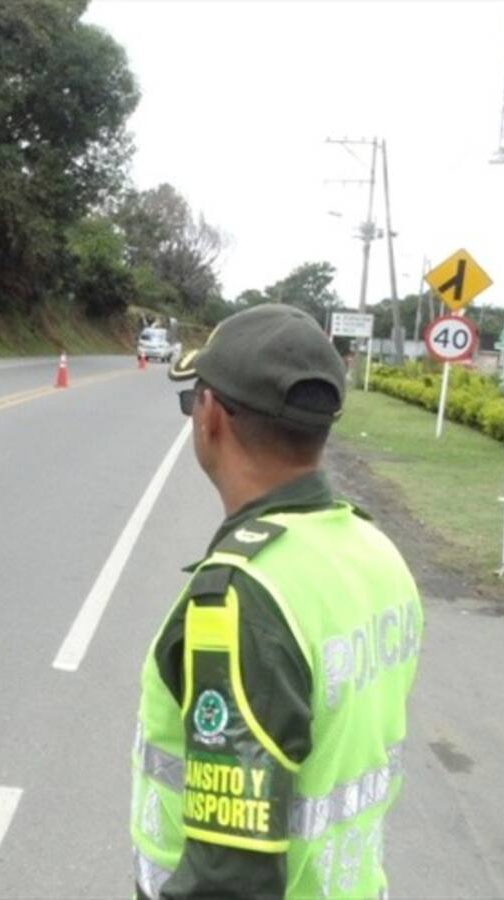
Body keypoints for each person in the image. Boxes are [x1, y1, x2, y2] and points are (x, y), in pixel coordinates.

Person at [130, 304, 423, 900]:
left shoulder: (240, 600)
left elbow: (230, 879)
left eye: (193, 401)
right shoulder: (376, 552)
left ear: (209, 415)